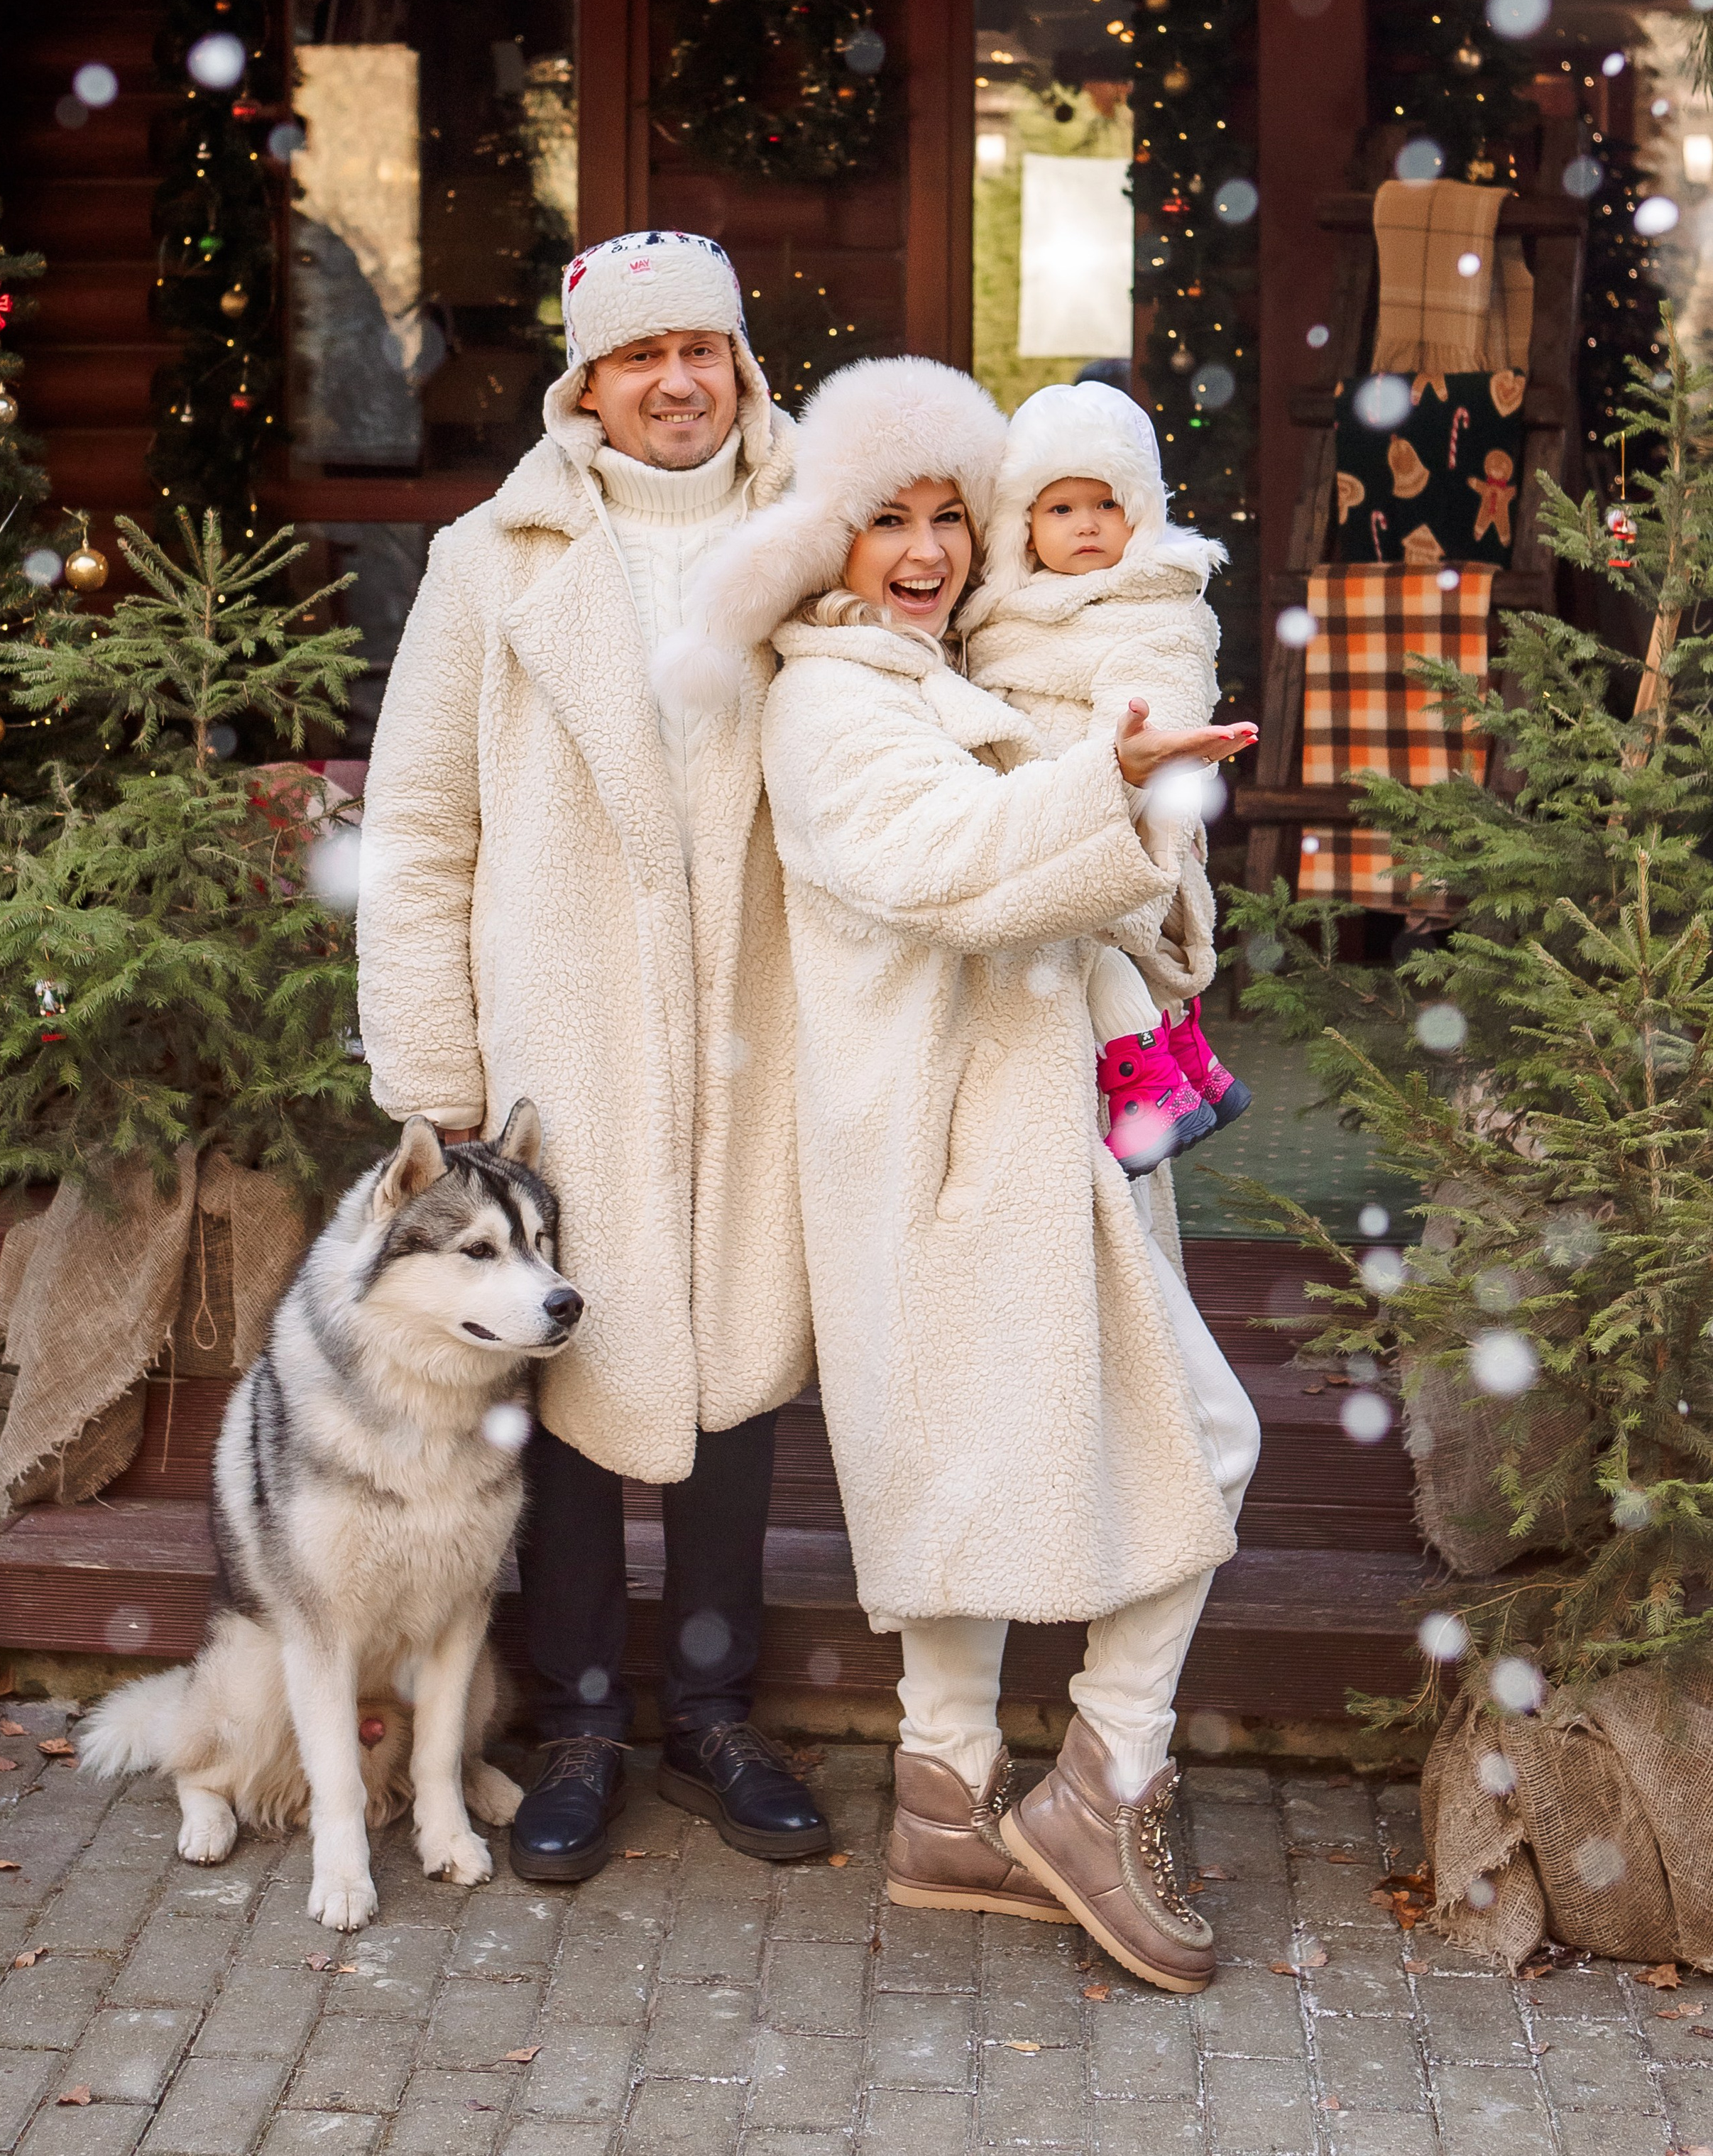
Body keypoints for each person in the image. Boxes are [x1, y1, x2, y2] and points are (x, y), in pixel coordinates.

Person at [655, 354, 1262, 1995]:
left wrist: (1137, 822)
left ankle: (942, 1795)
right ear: (823, 538)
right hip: (941, 1153)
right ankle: (1098, 1780)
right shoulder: (826, 698)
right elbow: (947, 864)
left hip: (1006, 1140)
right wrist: (1111, 784)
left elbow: (1065, 864)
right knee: (1193, 1435)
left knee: (977, 1471)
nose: (922, 549)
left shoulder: (945, 671)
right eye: (884, 519)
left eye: (946, 515)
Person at [357, 229, 827, 1881]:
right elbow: (416, 826)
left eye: (703, 347)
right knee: (559, 1379)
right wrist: (435, 1077)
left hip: (761, 1018)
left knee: (735, 1362)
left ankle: (711, 1707)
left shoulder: (816, 537)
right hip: (560, 1036)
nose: (677, 379)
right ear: (587, 381)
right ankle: (572, 1719)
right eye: (641, 355)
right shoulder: (498, 561)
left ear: (740, 365)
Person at [963, 382, 1254, 1177]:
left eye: (1105, 504)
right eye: (1060, 510)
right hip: (1036, 803)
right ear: (1022, 523)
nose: (1086, 525)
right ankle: (1179, 1053)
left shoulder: (1154, 599)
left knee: (1085, 937)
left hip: (1116, 810)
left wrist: (1103, 779)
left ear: (1142, 512)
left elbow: (1152, 704)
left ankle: (1148, 1083)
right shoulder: (1000, 613)